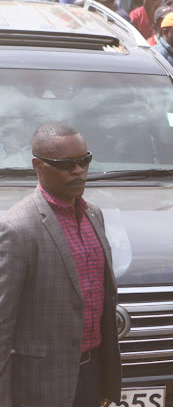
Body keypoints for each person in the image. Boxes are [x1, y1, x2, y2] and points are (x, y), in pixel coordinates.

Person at [0, 122, 121, 406]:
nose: (78, 171)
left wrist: (104, 378)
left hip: (91, 373)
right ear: (38, 165)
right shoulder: (17, 228)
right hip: (39, 384)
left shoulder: (94, 215)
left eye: (84, 161)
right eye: (66, 164)